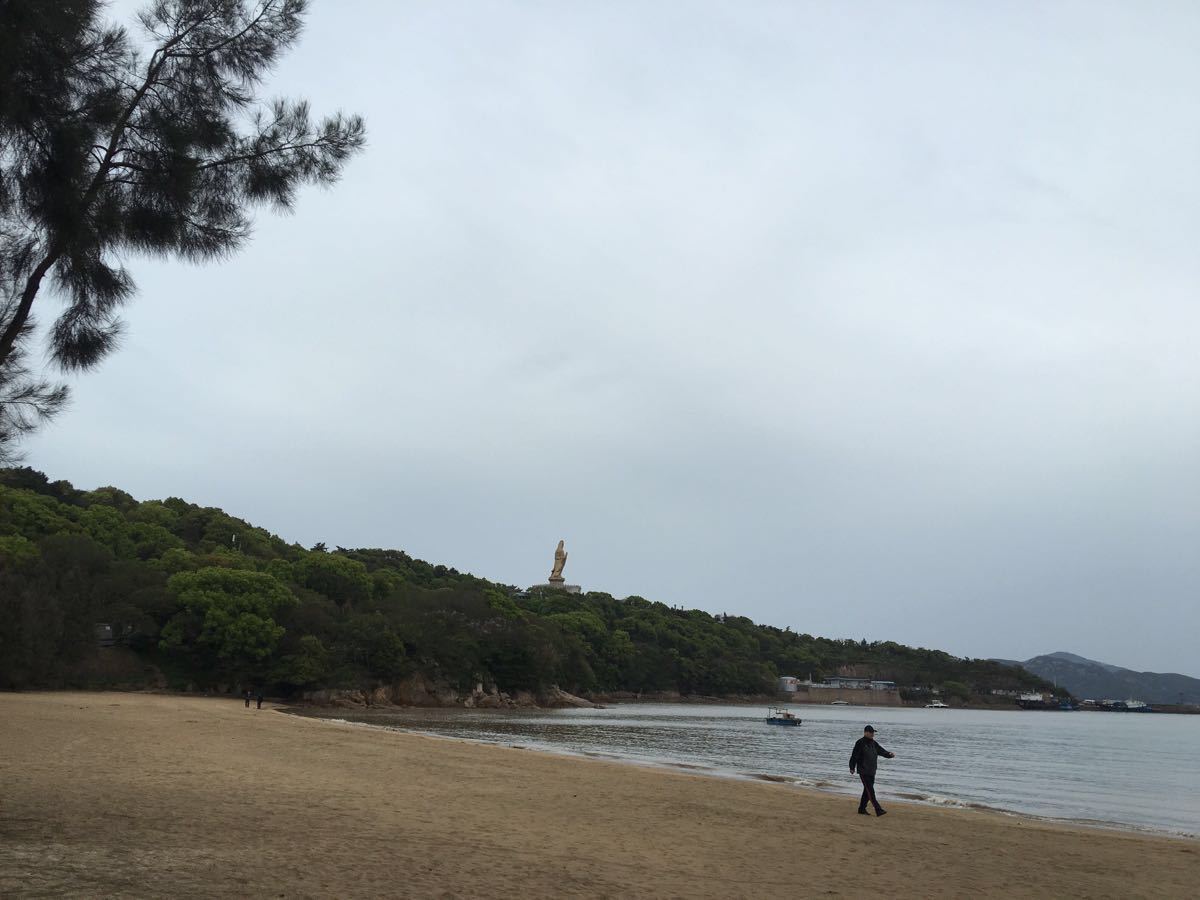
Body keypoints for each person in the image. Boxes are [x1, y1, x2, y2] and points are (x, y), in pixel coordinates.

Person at [849, 725, 895, 816]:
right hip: (863, 770)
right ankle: (878, 809)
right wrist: (852, 767)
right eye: (871, 732)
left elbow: (881, 751)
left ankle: (862, 809)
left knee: (867, 791)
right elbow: (854, 755)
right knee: (871, 791)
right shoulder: (860, 743)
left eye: (873, 732)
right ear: (865, 732)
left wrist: (889, 754)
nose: (872, 734)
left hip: (872, 771)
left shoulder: (874, 743)